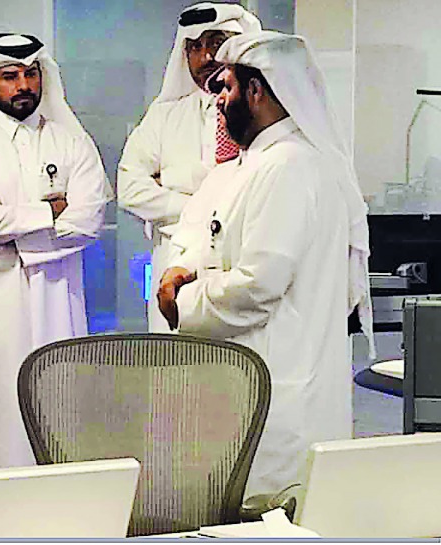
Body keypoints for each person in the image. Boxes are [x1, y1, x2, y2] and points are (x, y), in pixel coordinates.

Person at [156, 31, 372, 496]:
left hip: (279, 388)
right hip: (262, 378)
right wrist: (190, 267)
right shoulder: (261, 163)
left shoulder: (289, 166)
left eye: (228, 88)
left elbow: (258, 283)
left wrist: (183, 303)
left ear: (256, 91)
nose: (219, 102)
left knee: (270, 513)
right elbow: (225, 242)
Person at [0, 33, 111, 470]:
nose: (24, 85)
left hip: (58, 298)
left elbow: (89, 219)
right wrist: (51, 212)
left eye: (31, 74)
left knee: (59, 401)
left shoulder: (72, 143)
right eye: (10, 76)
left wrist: (12, 226)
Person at [117, 3, 260, 331]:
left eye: (216, 42)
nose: (206, 56)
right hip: (174, 260)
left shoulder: (260, 111)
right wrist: (202, 207)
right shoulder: (165, 116)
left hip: (240, 263)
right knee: (174, 371)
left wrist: (171, 190)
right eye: (195, 47)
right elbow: (129, 189)